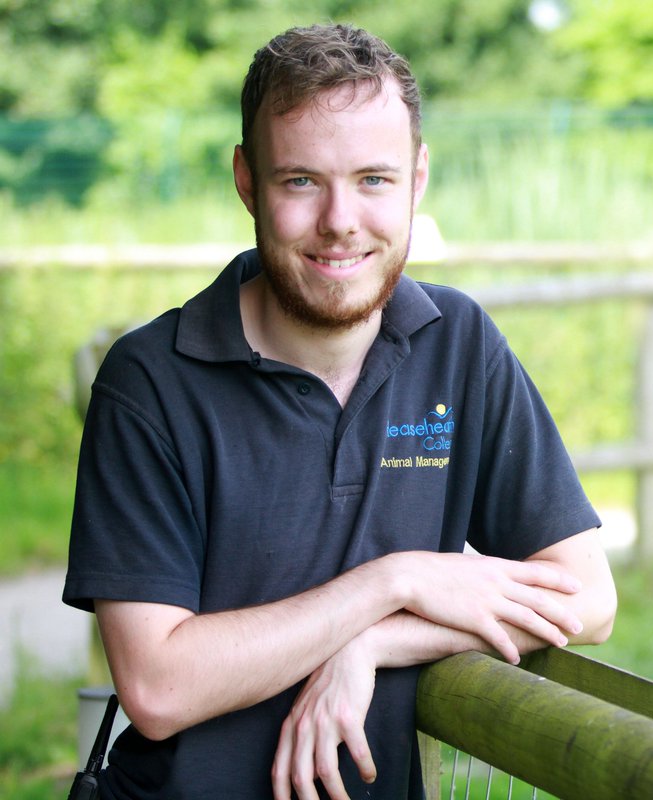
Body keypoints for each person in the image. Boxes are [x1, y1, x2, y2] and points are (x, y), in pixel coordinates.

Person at [63, 22, 617, 800]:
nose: (340, 220)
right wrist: (392, 581)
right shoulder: (151, 381)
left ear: (418, 179)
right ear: (247, 181)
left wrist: (372, 644)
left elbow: (586, 598)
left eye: (374, 180)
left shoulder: (458, 345)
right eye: (300, 182)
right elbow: (157, 687)